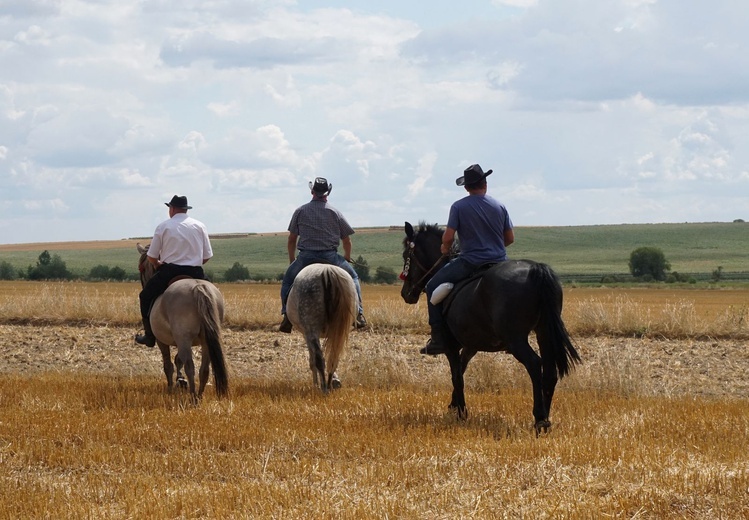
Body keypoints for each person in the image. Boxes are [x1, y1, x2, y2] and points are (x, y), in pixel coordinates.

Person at [421, 164, 514, 355]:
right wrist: (493, 249)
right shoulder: (500, 206)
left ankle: (438, 338)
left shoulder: (459, 206)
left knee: (431, 286)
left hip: (470, 262)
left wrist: (445, 248)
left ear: (466, 187)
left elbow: (448, 237)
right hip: (500, 262)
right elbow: (510, 238)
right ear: (485, 184)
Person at [279, 177, 367, 333]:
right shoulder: (335, 212)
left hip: (306, 257)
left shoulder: (300, 211)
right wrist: (346, 257)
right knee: (353, 278)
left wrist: (292, 260)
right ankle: (359, 313)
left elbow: (292, 239)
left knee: (287, 281)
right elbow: (347, 241)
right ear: (328, 193)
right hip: (331, 256)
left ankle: (286, 315)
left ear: (312, 191)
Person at [135, 195, 213, 347]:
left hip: (169, 271)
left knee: (145, 296)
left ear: (171, 209)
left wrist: (157, 263)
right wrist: (194, 262)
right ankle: (215, 327)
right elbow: (207, 257)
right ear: (185, 209)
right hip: (196, 272)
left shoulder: (163, 226)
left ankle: (149, 336)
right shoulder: (200, 226)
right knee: (212, 295)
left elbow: (151, 257)